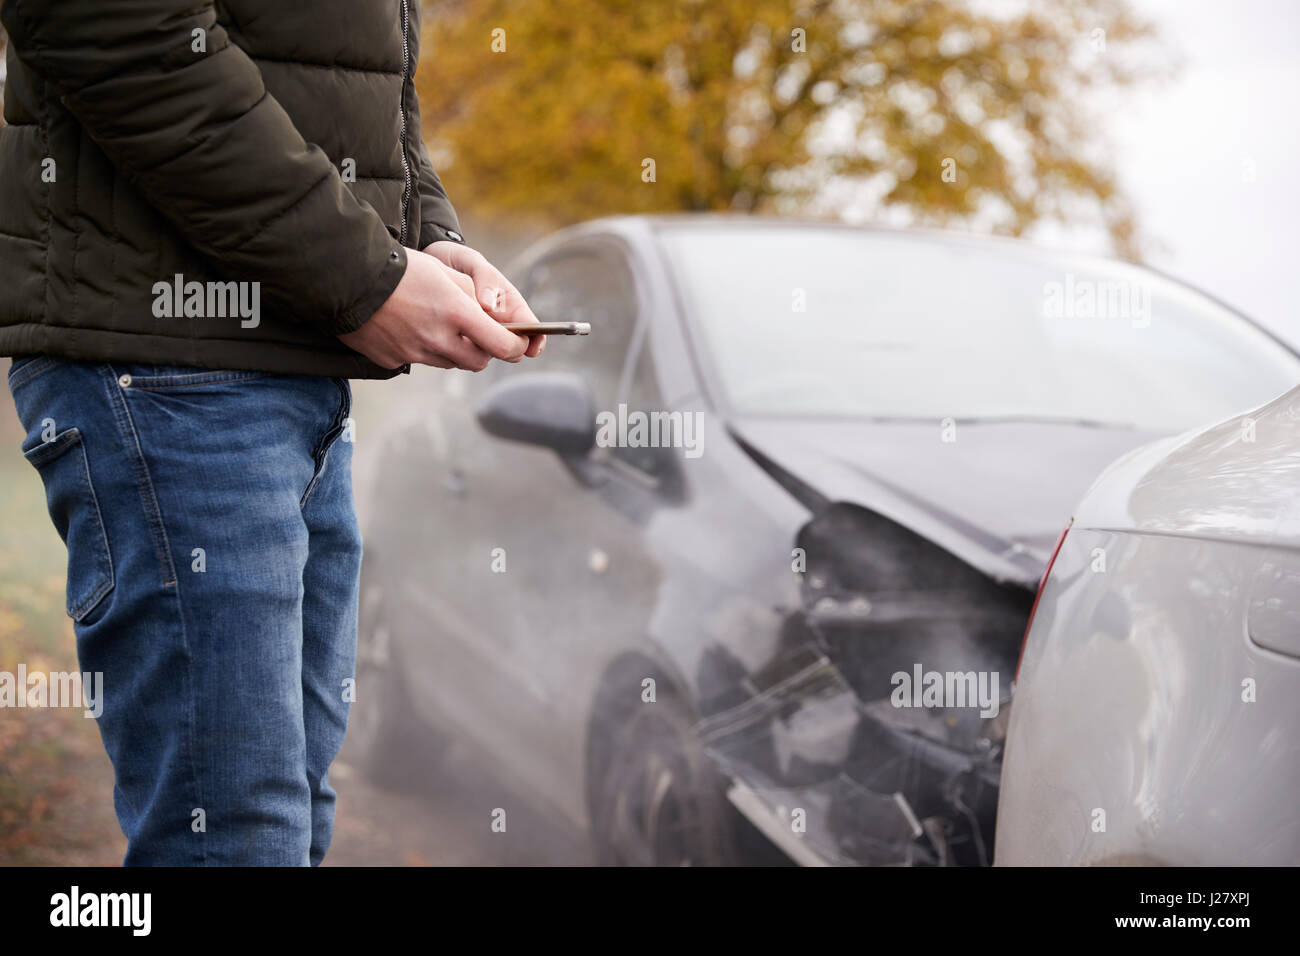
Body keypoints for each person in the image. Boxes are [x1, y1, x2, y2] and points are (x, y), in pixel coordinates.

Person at [0, 0, 542, 865]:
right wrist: (363, 280)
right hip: (172, 360)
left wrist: (423, 239)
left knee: (288, 811)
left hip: (294, 358)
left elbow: (359, 80)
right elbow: (107, 23)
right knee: (237, 837)